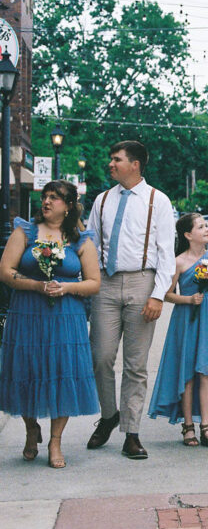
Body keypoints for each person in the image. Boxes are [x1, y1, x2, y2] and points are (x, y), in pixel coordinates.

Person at [0, 181, 101, 469]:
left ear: (68, 206)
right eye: (44, 196)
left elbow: (94, 282)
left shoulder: (80, 239)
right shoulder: (25, 231)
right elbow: (6, 271)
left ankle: (55, 441)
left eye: (54, 198)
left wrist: (67, 288)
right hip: (28, 312)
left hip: (66, 316)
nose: (46, 201)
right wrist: (36, 285)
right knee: (26, 369)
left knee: (62, 372)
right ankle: (32, 429)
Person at [86, 141, 176, 460]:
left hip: (142, 281)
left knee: (135, 365)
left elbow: (167, 253)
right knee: (100, 357)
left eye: (116, 160)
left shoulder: (158, 201)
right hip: (106, 285)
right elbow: (91, 244)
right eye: (111, 159)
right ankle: (110, 414)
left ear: (135, 164)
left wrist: (157, 295)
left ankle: (131, 432)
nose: (110, 164)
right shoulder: (102, 200)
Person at [148, 214, 208, 447]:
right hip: (186, 319)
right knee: (187, 373)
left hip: (207, 320)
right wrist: (187, 299)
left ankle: (206, 425)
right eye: (201, 227)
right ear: (187, 235)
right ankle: (188, 425)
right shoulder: (179, 261)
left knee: (207, 371)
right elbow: (166, 293)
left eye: (206, 226)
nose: (207, 229)